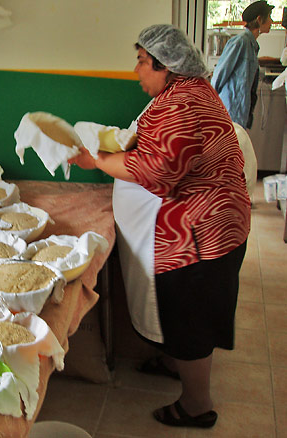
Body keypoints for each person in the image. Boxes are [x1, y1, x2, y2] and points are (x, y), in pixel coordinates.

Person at [69, 24, 251, 429]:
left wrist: (94, 160)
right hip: (210, 224)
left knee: (192, 317)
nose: (135, 70)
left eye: (140, 61)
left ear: (166, 65)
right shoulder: (183, 93)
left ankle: (196, 404)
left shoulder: (182, 104)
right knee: (186, 313)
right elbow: (156, 145)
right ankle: (176, 360)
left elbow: (157, 170)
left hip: (203, 235)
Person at [211, 1, 274, 129]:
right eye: (269, 17)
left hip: (241, 111)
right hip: (230, 110)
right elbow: (220, 73)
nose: (272, 22)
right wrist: (210, 102)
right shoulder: (240, 42)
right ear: (259, 19)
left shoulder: (252, 46)